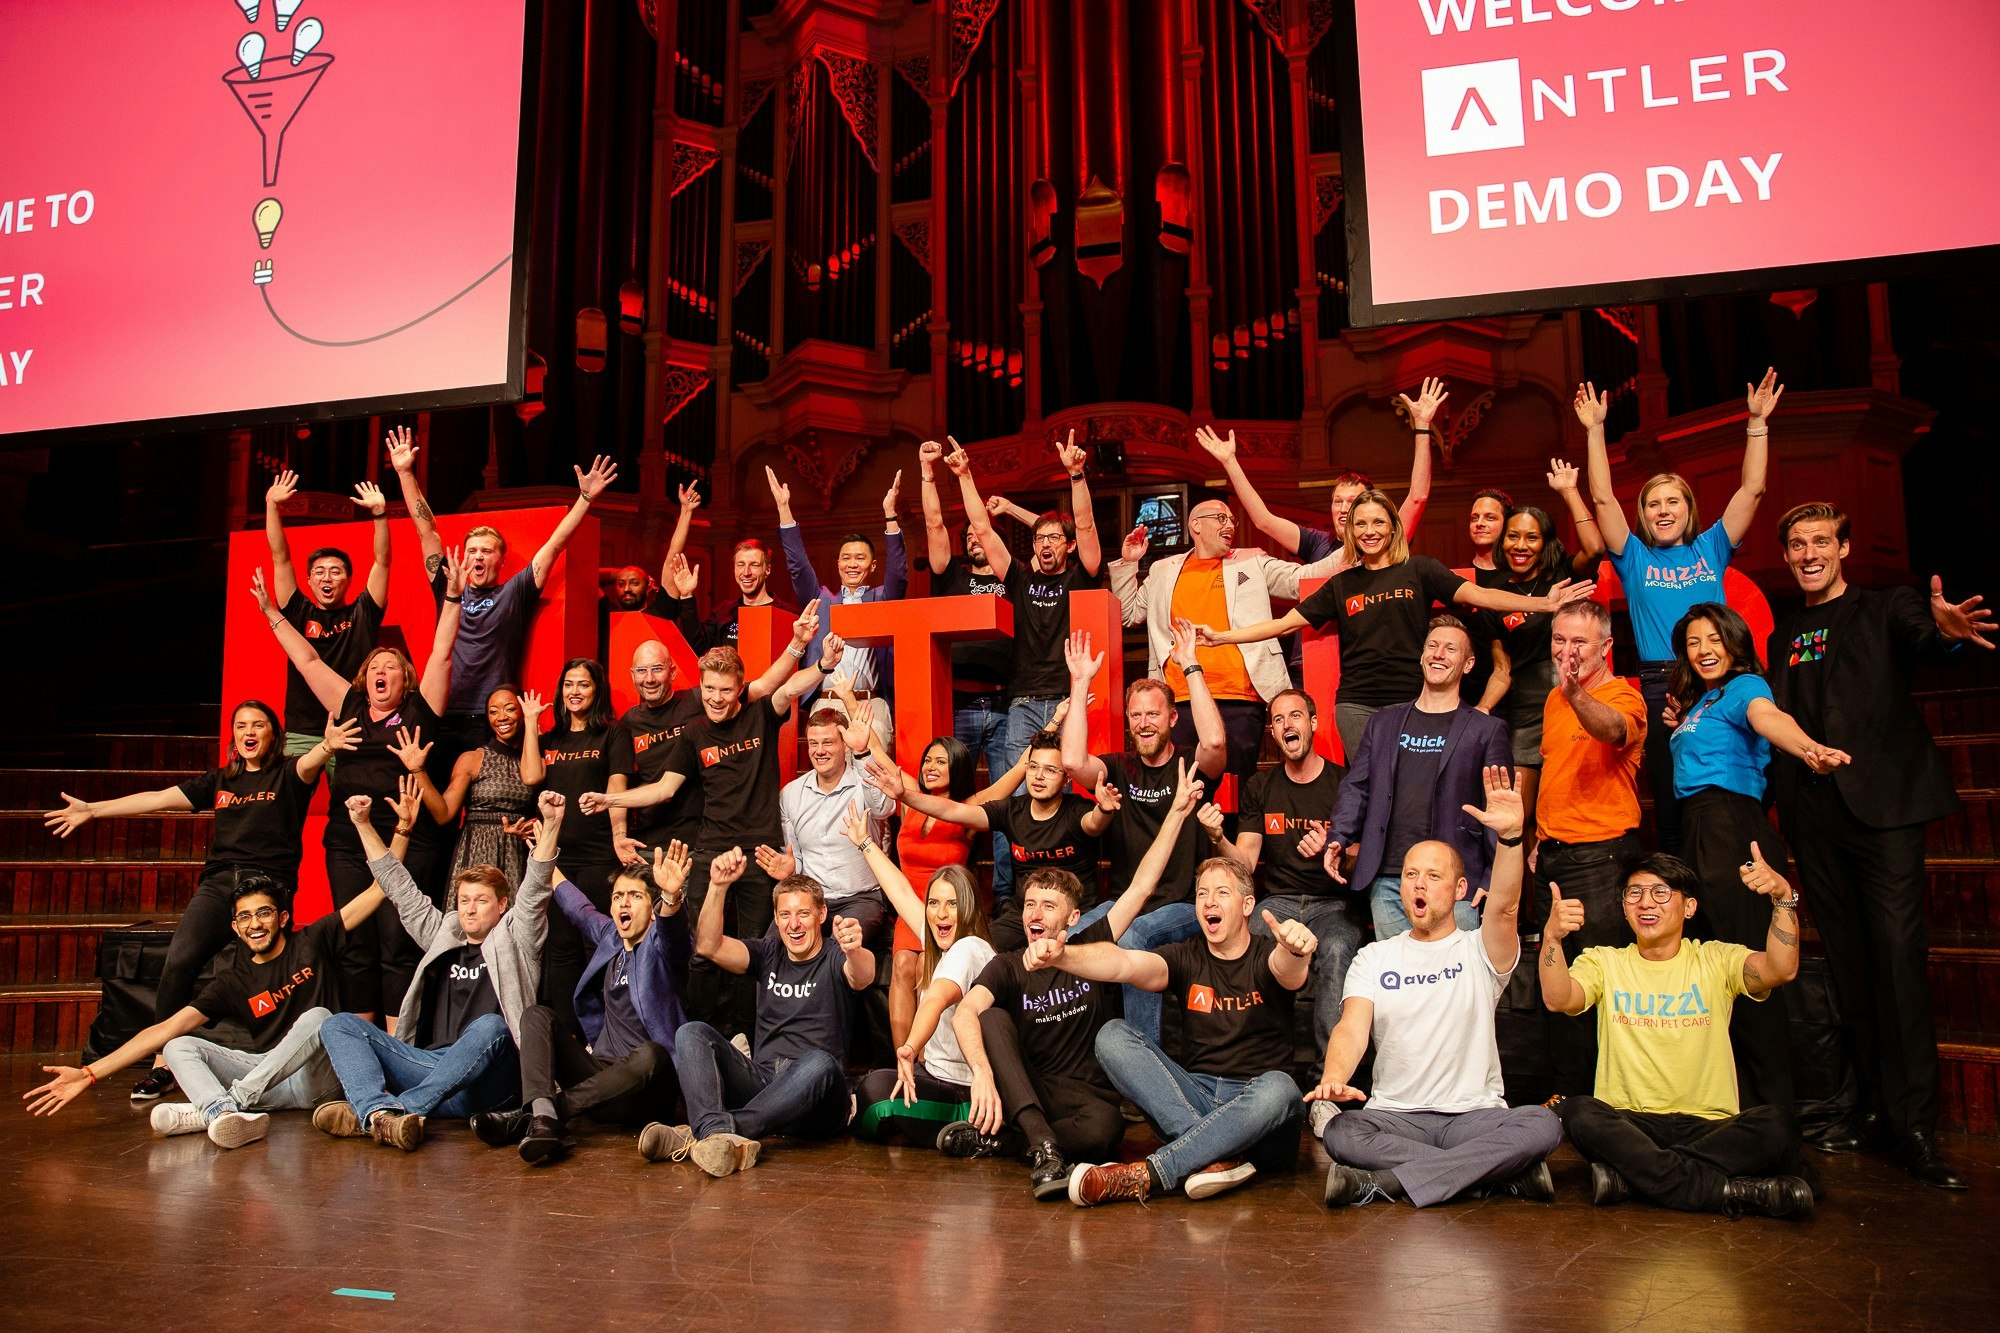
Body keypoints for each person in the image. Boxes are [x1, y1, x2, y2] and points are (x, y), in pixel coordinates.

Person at [1765, 501, 1991, 1189]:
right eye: (1798, 544)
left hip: (1885, 811)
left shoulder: (1886, 606)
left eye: (1821, 542)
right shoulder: (1784, 634)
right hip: (1817, 817)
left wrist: (1948, 634)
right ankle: (1869, 1107)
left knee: (1896, 958)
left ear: (1845, 547)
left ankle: (1916, 1124)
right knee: (1852, 965)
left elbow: (1931, 640)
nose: (1809, 553)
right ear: (1787, 555)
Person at [19, 822, 404, 1146]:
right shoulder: (232, 981)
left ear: (283, 917)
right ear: (235, 928)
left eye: (264, 913)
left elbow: (378, 890)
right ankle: (221, 1113)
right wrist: (88, 1074)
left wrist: (401, 829)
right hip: (268, 1077)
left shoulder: (313, 940)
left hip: (315, 1080)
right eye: (245, 917)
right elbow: (164, 1028)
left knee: (321, 1017)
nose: (256, 924)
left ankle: (226, 1104)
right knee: (177, 1044)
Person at [43, 699, 350, 1100]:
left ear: (273, 734)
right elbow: (156, 798)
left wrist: (326, 747)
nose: (249, 732)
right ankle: (163, 1064)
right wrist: (94, 810)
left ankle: (280, 1061)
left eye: (258, 725)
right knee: (180, 960)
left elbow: (310, 762)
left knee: (269, 974)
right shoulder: (220, 781)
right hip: (220, 883)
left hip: (266, 888)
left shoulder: (287, 775)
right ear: (234, 736)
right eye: (241, 726)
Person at [948, 764, 1216, 1198]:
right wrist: (980, 1072)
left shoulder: (1090, 947)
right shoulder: (1009, 965)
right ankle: (1043, 1148)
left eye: (1048, 906)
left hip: (1085, 1099)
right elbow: (964, 1012)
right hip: (1030, 1090)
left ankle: (1019, 1144)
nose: (1035, 914)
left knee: (1105, 1132)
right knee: (990, 1016)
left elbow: (1142, 887)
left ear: (1072, 918)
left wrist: (1178, 812)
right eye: (1030, 904)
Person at [580, 609, 842, 1036]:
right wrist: (612, 798)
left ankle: (746, 1037)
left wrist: (818, 662)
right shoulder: (693, 733)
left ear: (740, 689)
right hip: (711, 851)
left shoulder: (759, 713)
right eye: (708, 689)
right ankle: (696, 1037)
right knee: (703, 950)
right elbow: (664, 788)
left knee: (754, 947)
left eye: (725, 690)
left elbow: (789, 684)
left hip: (761, 852)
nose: (716, 698)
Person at [1314, 768, 1563, 1207]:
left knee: (1543, 1125)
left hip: (1474, 1117)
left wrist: (1509, 840)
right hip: (1395, 1117)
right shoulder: (1375, 956)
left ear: (1460, 889)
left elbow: (1503, 909)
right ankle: (1494, 1176)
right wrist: (1334, 1076)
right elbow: (1352, 1028)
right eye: (1410, 875)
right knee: (1341, 1130)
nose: (1419, 885)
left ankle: (1388, 1182)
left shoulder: (1480, 949)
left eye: (1432, 876)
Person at [1195, 491, 1592, 759]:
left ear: (1392, 527)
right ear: (1351, 531)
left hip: (1414, 700)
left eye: (1377, 523)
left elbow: (1481, 596)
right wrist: (1220, 637)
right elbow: (1283, 624)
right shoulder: (1342, 583)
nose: (1369, 532)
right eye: (1360, 525)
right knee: (1371, 788)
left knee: (1415, 786)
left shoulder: (1418, 570)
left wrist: (1543, 603)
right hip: (1357, 706)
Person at [1540, 851, 1816, 1220]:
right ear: (1623, 908)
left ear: (1689, 908)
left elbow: (1781, 969)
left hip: (1710, 1127)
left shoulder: (1716, 959)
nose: (1645, 902)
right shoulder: (1604, 961)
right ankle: (1725, 1190)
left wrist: (1782, 898)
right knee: (1580, 1112)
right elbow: (1559, 999)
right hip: (1631, 1124)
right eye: (1634, 893)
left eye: (1660, 892)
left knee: (1778, 1125)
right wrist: (1553, 938)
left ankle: (1637, 1178)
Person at [251, 557, 462, 1021]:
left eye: (391, 666)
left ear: (404, 680)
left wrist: (452, 598)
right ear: (364, 678)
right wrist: (271, 612)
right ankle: (365, 1043)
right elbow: (306, 657)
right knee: (353, 943)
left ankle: (398, 1042)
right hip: (349, 844)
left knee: (397, 943)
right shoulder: (346, 703)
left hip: (405, 840)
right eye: (374, 666)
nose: (381, 670)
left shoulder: (421, 710)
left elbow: (443, 652)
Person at [1582, 371, 1783, 853]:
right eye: (1653, 504)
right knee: (1672, 798)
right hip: (1662, 684)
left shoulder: (1711, 548)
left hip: (1719, 679)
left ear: (1688, 508)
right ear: (1644, 514)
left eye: (1673, 501)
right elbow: (1604, 498)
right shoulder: (1633, 558)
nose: (1663, 511)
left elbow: (1751, 491)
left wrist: (1756, 424)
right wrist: (1594, 429)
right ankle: (1684, 904)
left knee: (1735, 780)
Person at [1666, 601, 1848, 1112]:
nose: (1704, 651)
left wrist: (1808, 747)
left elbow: (1768, 719)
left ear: (1734, 643)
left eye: (1714, 640)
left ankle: (1773, 1116)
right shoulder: (1703, 701)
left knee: (1748, 973)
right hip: (1700, 829)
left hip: (1731, 829)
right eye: (1694, 642)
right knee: (1715, 974)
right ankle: (1733, 1108)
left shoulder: (1746, 687)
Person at [1054, 856, 1315, 1207]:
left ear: (1247, 905)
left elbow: (1288, 970)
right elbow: (1125, 963)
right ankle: (1214, 1157)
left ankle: (1148, 1174)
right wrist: (1062, 956)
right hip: (1196, 1096)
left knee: (1282, 1088)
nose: (1209, 902)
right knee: (1112, 1035)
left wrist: (1296, 951)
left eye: (1222, 893)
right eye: (1202, 894)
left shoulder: (1269, 954)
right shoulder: (1183, 956)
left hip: (1260, 1116)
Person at [313, 791, 561, 1151]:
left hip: (490, 1082)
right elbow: (399, 889)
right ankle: (379, 1116)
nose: (470, 910)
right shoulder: (444, 932)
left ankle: (399, 1111)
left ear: (503, 904)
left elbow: (536, 888)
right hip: (434, 1070)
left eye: (481, 900)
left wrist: (551, 824)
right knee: (338, 1024)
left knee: (491, 1026)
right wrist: (363, 824)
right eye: (464, 901)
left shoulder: (518, 937)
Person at [388, 423, 618, 748]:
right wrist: (405, 473)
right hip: (441, 711)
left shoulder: (514, 592)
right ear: (464, 558)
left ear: (500, 558)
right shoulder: (448, 586)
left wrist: (584, 498)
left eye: (486, 550)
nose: (478, 556)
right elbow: (427, 531)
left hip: (494, 718)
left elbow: (554, 545)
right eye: (472, 550)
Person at [659, 850, 876, 1177]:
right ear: (775, 918)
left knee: (820, 1061)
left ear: (821, 914)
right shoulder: (768, 951)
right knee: (691, 1033)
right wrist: (718, 886)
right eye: (785, 914)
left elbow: (863, 975)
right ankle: (716, 1137)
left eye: (803, 913)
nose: (794, 924)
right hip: (766, 1088)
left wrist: (855, 949)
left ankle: (713, 1129)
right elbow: (708, 946)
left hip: (819, 1100)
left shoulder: (835, 954)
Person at [475, 844, 693, 1165]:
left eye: (635, 895)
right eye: (618, 896)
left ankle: (540, 1115)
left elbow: (674, 935)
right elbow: (578, 908)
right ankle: (545, 1116)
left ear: (652, 906)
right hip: (598, 1082)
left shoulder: (662, 948)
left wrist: (672, 898)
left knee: (652, 1054)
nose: (623, 902)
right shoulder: (610, 938)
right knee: (537, 1015)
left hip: (644, 1094)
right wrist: (544, 854)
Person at [1059, 627, 1226, 1041]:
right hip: (1124, 902)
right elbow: (1072, 759)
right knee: (1068, 940)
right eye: (1136, 715)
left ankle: (1140, 1060)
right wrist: (1080, 683)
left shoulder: (1190, 765)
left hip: (1181, 905)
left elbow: (1217, 740)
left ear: (1172, 719)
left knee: (1134, 936)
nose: (1144, 723)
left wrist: (1190, 665)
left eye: (1153, 714)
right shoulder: (1118, 768)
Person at [944, 434, 1106, 835]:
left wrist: (1076, 475)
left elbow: (1084, 523)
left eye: (1054, 537)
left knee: (1072, 798)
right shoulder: (1018, 577)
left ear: (1067, 547)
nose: (1045, 543)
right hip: (1023, 704)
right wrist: (965, 476)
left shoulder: (1081, 577)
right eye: (1039, 537)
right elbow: (982, 528)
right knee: (1018, 800)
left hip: (1069, 701)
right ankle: (1012, 891)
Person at [1321, 617, 1512, 941]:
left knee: (1455, 988)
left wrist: (1493, 875)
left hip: (1455, 882)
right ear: (1422, 655)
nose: (1439, 654)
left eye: (1450, 649)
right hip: (1388, 880)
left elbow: (1498, 812)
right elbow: (1358, 786)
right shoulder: (1384, 722)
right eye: (1433, 646)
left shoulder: (1487, 730)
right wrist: (1338, 835)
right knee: (1398, 988)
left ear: (1468, 665)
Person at [1108, 479, 1302, 786]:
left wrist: (1351, 552)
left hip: (1238, 697)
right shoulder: (1163, 569)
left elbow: (1301, 579)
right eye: (1221, 518)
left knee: (1235, 792)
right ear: (1195, 525)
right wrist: (1128, 565)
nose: (1230, 526)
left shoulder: (1251, 561)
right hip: (1178, 700)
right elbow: (1128, 614)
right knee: (1184, 792)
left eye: (1232, 521)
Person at [1201, 688, 1355, 1070]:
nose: (1287, 725)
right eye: (1279, 720)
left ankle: (1327, 1083)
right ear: (1272, 731)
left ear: (1313, 723)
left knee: (1336, 951)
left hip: (1333, 903)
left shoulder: (1344, 783)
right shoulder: (1261, 787)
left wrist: (1333, 851)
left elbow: (1362, 857)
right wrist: (1219, 837)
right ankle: (1251, 1068)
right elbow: (1246, 863)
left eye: (1296, 716)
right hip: (1279, 902)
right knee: (1244, 941)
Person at [1534, 599, 1648, 1097]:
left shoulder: (1624, 696)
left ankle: (1612, 1096)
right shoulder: (1553, 699)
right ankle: (1569, 1094)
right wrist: (1539, 841)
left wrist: (1577, 693)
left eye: (1578, 641)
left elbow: (1611, 729)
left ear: (1605, 647)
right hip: (1555, 858)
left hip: (1602, 859)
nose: (1566, 650)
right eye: (1559, 639)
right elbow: (1554, 773)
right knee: (1559, 982)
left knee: (1604, 980)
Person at [863, 730, 1117, 951]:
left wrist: (1104, 810)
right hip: (1023, 915)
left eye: (1051, 770)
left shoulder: (1076, 810)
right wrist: (904, 795)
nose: (1039, 776)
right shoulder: (1011, 810)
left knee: (1069, 952)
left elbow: (1093, 823)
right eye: (1033, 767)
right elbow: (954, 812)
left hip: (1076, 916)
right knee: (975, 951)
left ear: (1066, 779)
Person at [882, 728, 1041, 1046]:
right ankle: (904, 1061)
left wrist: (1052, 726)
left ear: (956, 767)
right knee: (901, 965)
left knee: (922, 971)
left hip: (944, 909)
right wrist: (848, 701)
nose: (930, 766)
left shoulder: (969, 807)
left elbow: (1015, 774)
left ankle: (926, 1059)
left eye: (940, 761)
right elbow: (881, 760)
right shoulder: (911, 798)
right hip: (908, 902)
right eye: (927, 760)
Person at [849, 807, 995, 1147]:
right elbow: (900, 891)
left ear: (970, 909)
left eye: (951, 904)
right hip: (934, 1076)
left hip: (964, 1094)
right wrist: (865, 843)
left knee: (873, 1096)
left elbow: (936, 998)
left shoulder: (970, 948)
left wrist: (910, 1047)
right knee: (869, 1091)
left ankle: (973, 1130)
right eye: (933, 903)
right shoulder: (942, 942)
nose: (940, 913)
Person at [1472, 481, 1605, 841]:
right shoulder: (1494, 595)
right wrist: (1481, 709)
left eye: (1531, 538)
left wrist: (1570, 492)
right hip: (1525, 715)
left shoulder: (1561, 574)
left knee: (1570, 815)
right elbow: (1502, 668)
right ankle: (1525, 900)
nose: (1520, 546)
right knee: (1520, 823)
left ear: (1545, 543)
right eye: (1513, 536)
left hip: (1575, 704)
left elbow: (1595, 547)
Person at [1196, 380, 1438, 575]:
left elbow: (1418, 497)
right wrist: (1230, 462)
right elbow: (1263, 520)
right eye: (1337, 501)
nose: (1343, 509)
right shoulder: (1318, 542)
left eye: (1352, 501)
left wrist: (1423, 426)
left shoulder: (1388, 538)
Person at [918, 437, 1016, 900]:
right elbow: (935, 522)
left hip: (1001, 703)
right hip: (956, 702)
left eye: (983, 534)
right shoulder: (950, 575)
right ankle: (949, 883)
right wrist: (928, 472)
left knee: (1004, 803)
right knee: (950, 800)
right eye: (971, 537)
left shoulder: (1010, 578)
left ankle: (1004, 893)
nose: (977, 539)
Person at [769, 464, 905, 745]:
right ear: (838, 563)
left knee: (874, 777)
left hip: (870, 705)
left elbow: (899, 575)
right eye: (846, 558)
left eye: (860, 558)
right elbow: (798, 566)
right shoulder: (822, 602)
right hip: (827, 703)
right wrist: (784, 509)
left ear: (872, 565)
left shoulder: (881, 599)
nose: (852, 564)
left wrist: (890, 516)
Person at [262, 467, 391, 753]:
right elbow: (280, 557)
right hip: (301, 731)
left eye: (335, 571)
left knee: (349, 799)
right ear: (308, 580)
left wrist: (380, 516)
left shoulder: (363, 613)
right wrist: (272, 506)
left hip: (352, 725)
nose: (326, 577)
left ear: (348, 579)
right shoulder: (297, 611)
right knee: (291, 797)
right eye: (319, 572)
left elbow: (382, 561)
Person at [755, 703, 898, 948]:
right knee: (771, 949)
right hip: (811, 899)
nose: (819, 751)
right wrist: (790, 869)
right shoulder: (791, 795)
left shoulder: (862, 782)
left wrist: (863, 752)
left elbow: (884, 808)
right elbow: (797, 857)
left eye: (828, 742)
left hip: (862, 898)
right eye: (813, 743)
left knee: (840, 949)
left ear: (845, 745)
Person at [536, 657, 630, 1031]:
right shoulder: (549, 740)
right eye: (569, 684)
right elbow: (532, 782)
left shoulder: (612, 734)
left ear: (597, 691)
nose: (575, 691)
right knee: (560, 951)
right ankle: (566, 1037)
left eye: (584, 684)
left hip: (596, 856)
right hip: (556, 859)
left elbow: (617, 790)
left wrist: (619, 837)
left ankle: (604, 1033)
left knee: (598, 946)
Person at [657, 482, 796, 651]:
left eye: (754, 565)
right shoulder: (724, 613)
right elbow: (698, 648)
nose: (746, 572)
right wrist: (687, 597)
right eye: (740, 565)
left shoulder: (787, 614)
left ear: (767, 570)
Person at [435, 686, 545, 887]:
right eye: (493, 712)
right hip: (477, 850)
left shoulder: (537, 760)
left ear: (522, 712)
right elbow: (444, 814)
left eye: (510, 709)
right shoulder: (473, 758)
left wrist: (527, 828)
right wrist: (418, 771)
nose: (501, 717)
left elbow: (534, 781)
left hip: (517, 852)